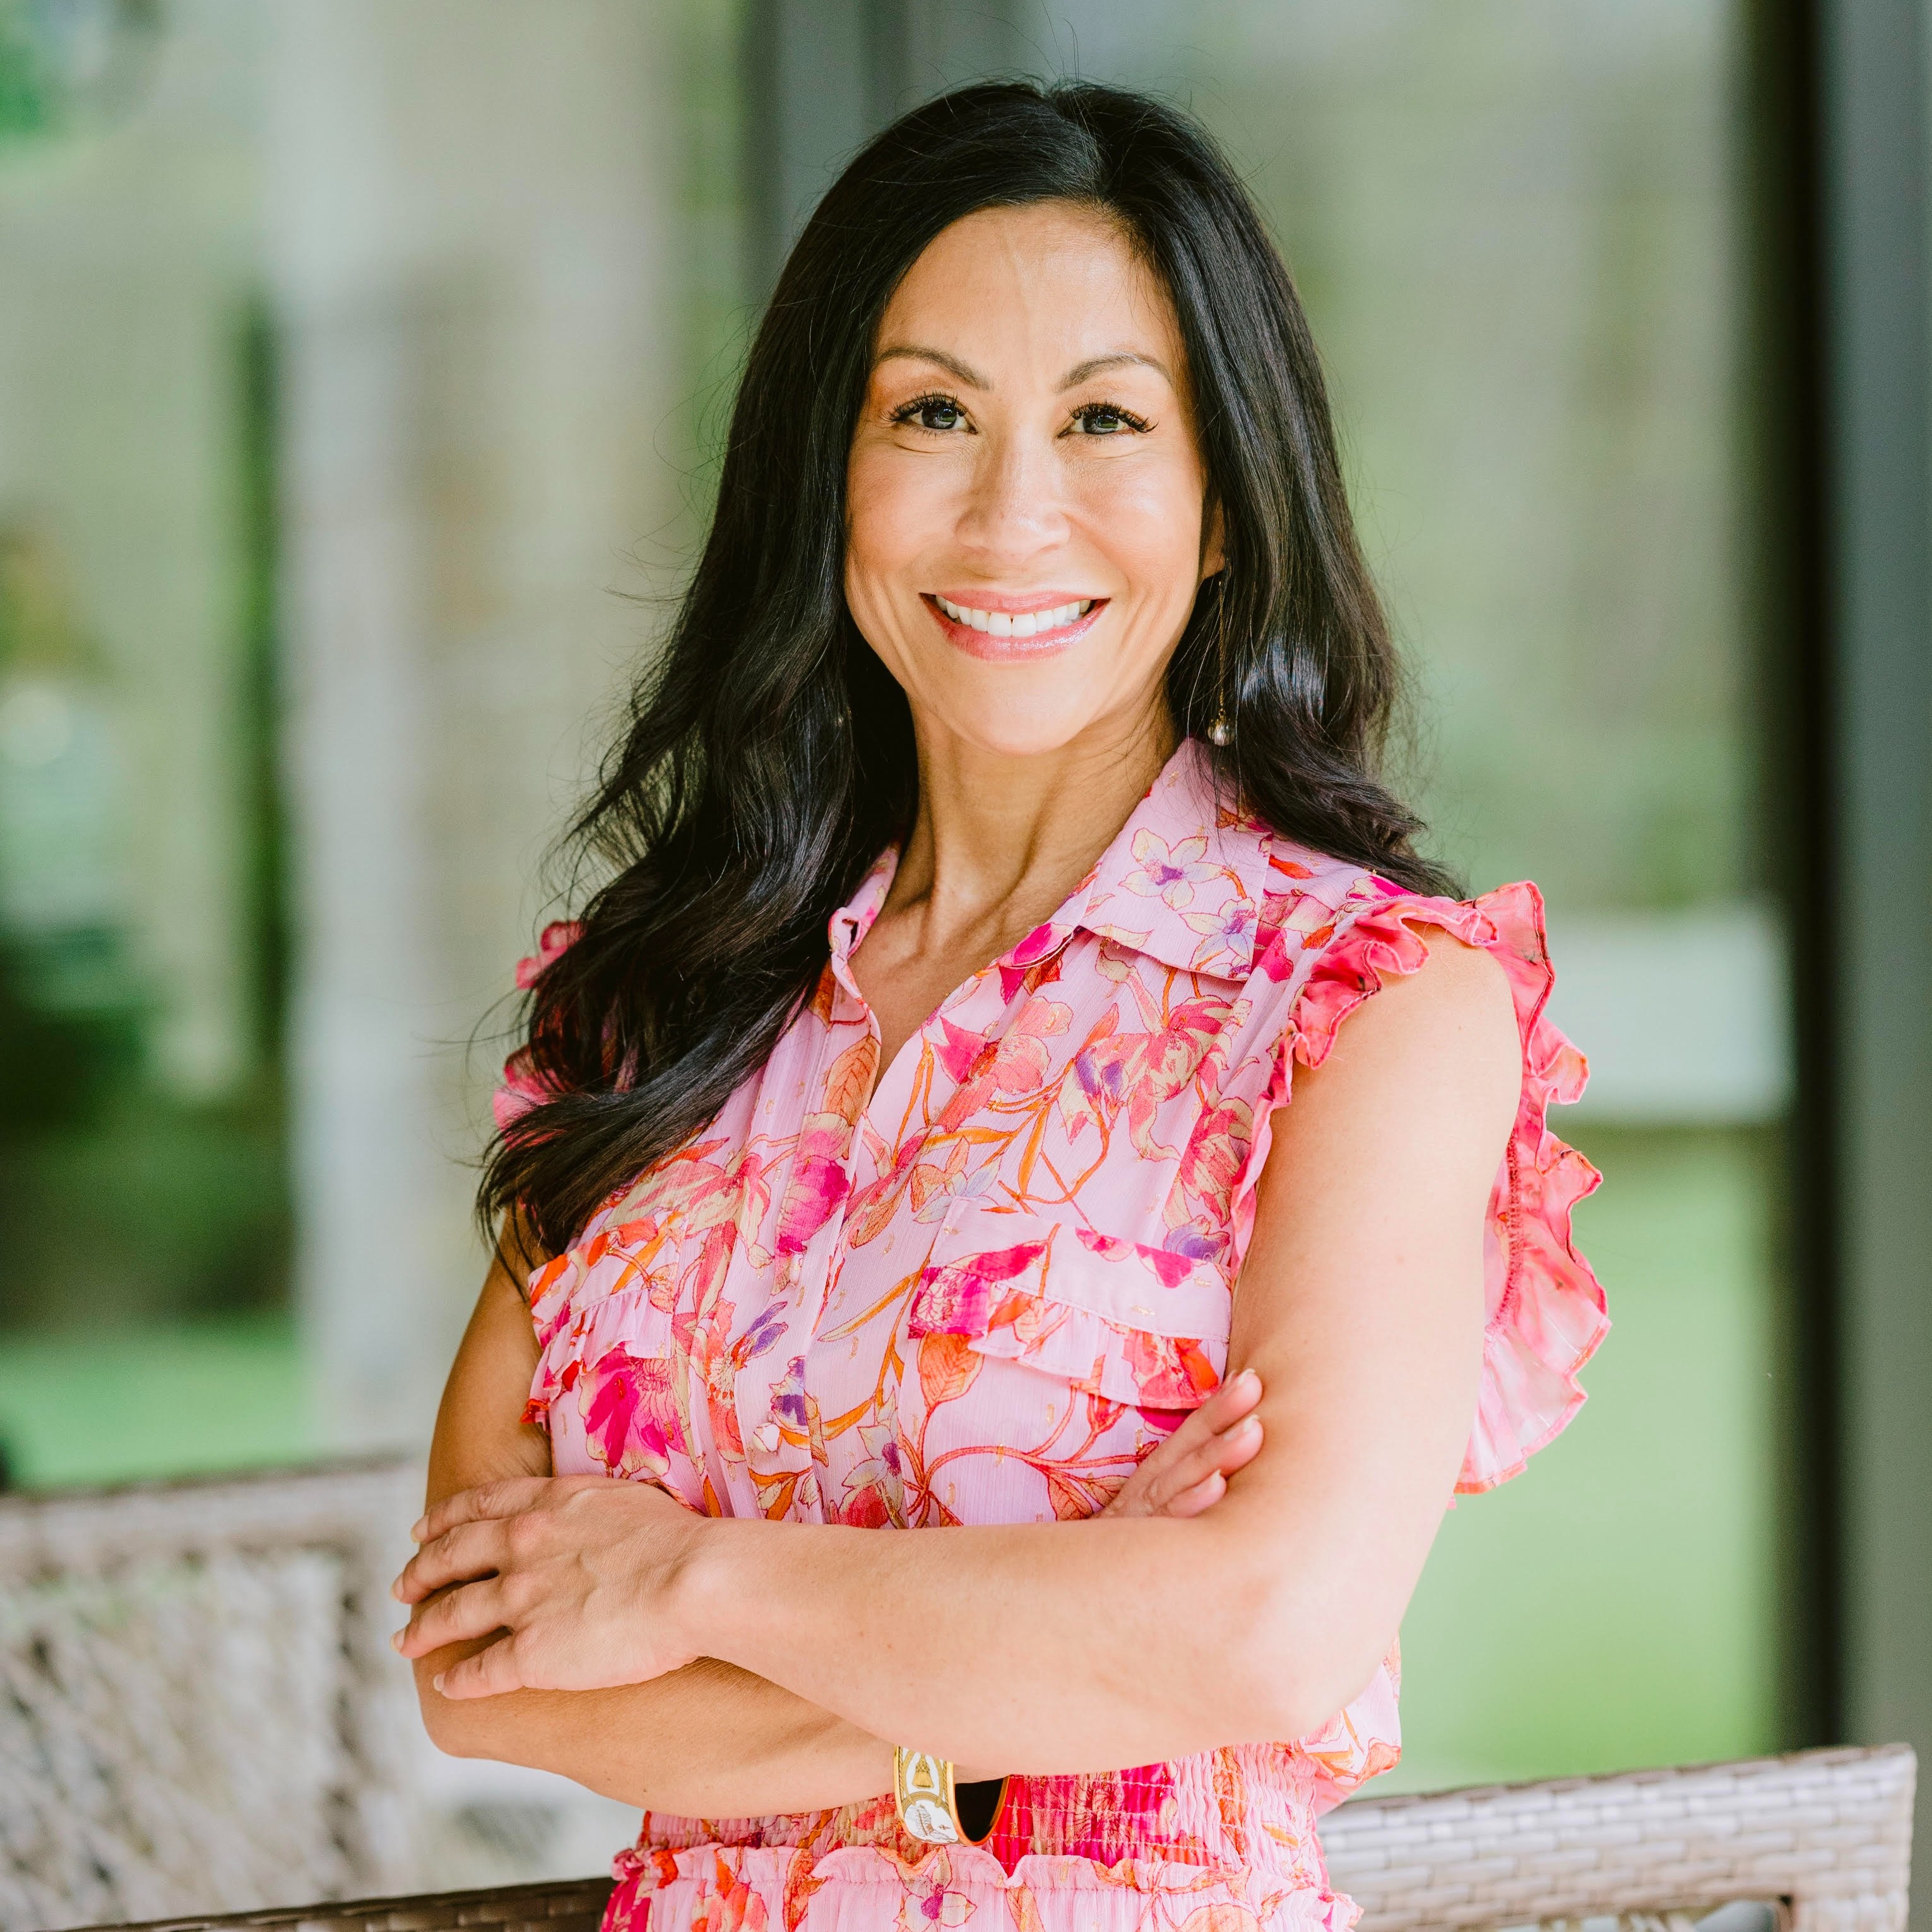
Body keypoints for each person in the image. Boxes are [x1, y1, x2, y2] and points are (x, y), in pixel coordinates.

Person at [392, 80, 1607, 1932]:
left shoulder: (1360, 1006)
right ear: (831, 473)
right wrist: (1026, 1686)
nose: (1011, 510)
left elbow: (1268, 1631)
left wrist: (691, 1584)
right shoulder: (660, 1003)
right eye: (932, 413)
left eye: (1107, 419)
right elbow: (483, 1666)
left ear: (1223, 509)